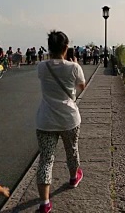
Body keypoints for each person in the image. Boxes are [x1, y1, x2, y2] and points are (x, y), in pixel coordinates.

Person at [35, 30, 86, 213]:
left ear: (49, 47)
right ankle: (73, 178)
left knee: (46, 160)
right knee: (71, 150)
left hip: (45, 120)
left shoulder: (41, 67)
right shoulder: (74, 68)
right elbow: (81, 86)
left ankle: (44, 203)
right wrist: (75, 65)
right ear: (66, 47)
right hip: (69, 119)